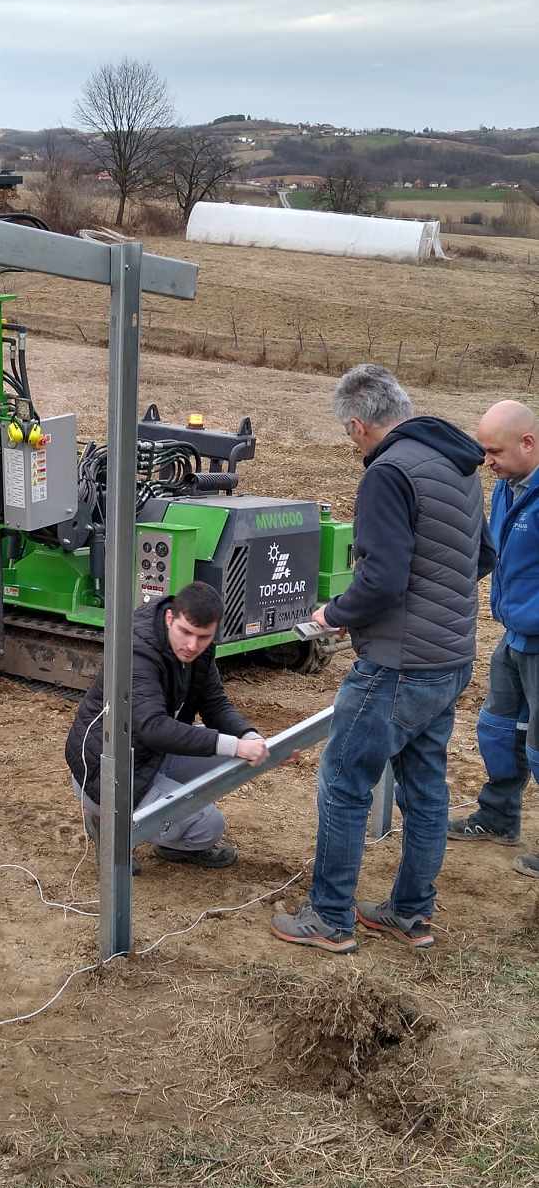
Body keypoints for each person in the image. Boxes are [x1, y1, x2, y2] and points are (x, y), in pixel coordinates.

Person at [271, 363, 494, 955]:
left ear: (358, 424)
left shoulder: (388, 472)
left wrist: (331, 615)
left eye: (349, 435)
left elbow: (383, 579)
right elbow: (482, 556)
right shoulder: (458, 467)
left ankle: (329, 918)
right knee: (425, 787)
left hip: (397, 668)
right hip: (450, 660)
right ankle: (410, 912)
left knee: (344, 782)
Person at [65, 581, 269, 871]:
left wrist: (249, 737)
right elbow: (153, 727)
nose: (192, 646)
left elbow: (215, 704)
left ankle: (170, 838)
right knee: (207, 827)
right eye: (185, 633)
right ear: (170, 618)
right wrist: (237, 745)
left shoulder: (197, 649)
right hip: (107, 771)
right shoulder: (137, 650)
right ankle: (108, 824)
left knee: (232, 755)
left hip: (152, 753)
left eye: (203, 637)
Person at [447, 399, 539, 876]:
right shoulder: (509, 486)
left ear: (528, 442)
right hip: (514, 634)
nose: (488, 461)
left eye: (495, 451)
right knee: (500, 729)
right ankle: (499, 817)